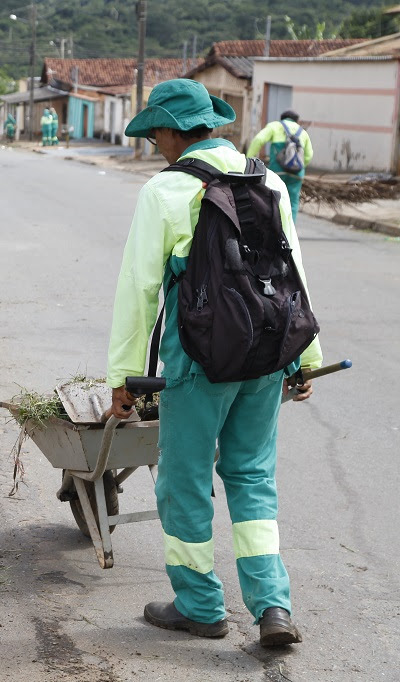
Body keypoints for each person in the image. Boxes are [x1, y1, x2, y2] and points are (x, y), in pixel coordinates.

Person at [105, 79, 322, 647]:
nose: (155, 146)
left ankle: (200, 606)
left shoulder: (165, 190)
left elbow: (138, 291)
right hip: (267, 355)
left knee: (184, 482)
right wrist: (303, 359)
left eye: (155, 135)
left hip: (199, 359)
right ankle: (273, 605)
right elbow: (292, 273)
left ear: (174, 131)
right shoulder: (266, 179)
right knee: (252, 478)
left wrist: (123, 379)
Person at [247, 111, 314, 224]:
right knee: (293, 203)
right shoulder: (303, 132)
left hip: (277, 172)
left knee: (272, 200)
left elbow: (258, 140)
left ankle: (273, 227)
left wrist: (249, 159)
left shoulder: (275, 126)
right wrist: (299, 167)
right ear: (296, 121)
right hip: (297, 174)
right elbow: (309, 155)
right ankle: (289, 230)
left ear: (282, 118)